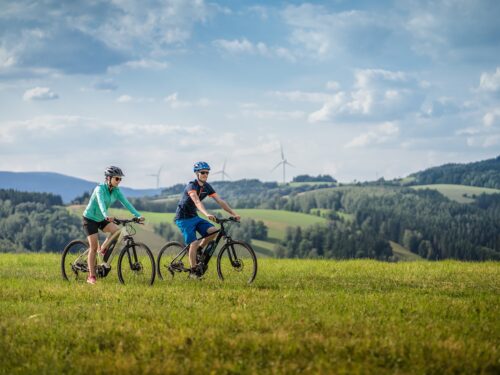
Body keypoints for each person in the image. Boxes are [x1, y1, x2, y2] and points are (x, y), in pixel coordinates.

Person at [174, 161, 240, 278]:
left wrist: (233, 213)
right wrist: (206, 214)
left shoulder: (207, 187)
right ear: (197, 173)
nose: (205, 174)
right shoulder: (191, 186)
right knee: (193, 243)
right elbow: (196, 201)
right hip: (183, 218)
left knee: (213, 231)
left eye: (207, 173)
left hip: (194, 216)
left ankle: (199, 250)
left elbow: (220, 201)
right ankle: (193, 272)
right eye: (203, 172)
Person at [82, 166, 144, 285]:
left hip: (101, 218)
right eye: (117, 179)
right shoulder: (99, 189)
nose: (119, 181)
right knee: (93, 247)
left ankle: (103, 249)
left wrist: (137, 215)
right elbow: (100, 203)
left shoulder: (116, 191)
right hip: (89, 219)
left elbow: (126, 203)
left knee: (117, 232)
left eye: (120, 179)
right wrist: (106, 214)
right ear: (109, 178)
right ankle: (91, 276)